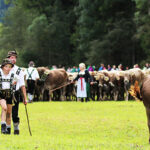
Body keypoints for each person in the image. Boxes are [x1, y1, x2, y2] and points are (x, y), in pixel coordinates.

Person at [7, 50, 27, 135]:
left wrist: (25, 98)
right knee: (6, 111)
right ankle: (7, 129)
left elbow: (22, 85)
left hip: (15, 93)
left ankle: (16, 128)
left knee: (14, 113)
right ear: (8, 58)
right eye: (11, 57)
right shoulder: (2, 68)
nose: (13, 59)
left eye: (15, 58)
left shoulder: (19, 70)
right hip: (4, 93)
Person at [0, 58, 18, 134]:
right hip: (1, 94)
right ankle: (3, 126)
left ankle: (8, 129)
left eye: (10, 67)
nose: (8, 68)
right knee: (4, 108)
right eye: (6, 66)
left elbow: (15, 83)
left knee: (9, 112)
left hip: (10, 94)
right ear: (3, 67)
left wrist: (14, 83)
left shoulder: (14, 75)